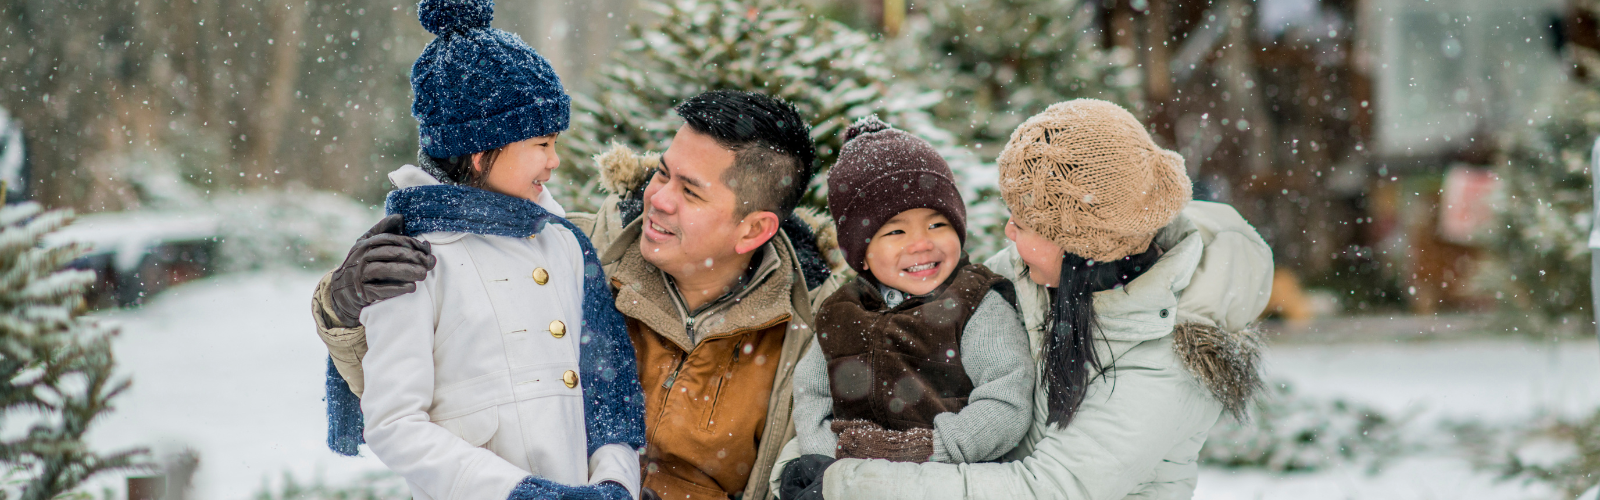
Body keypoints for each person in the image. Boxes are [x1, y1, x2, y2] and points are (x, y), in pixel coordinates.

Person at [314, 89, 843, 500]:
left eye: (690, 191)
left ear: (753, 230)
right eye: (662, 172)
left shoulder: (809, 333)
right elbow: (431, 393)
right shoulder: (567, 252)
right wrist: (343, 308)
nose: (657, 198)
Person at [771, 99, 1274, 499]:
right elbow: (896, 342)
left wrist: (844, 484)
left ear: (1081, 246)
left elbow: (1046, 490)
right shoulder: (1032, 274)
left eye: (1027, 223)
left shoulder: (1167, 362)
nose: (1008, 232)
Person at [328, 1, 648, 499]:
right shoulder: (411, 261)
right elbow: (394, 424)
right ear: (481, 151)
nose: (555, 160)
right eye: (542, 144)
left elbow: (606, 397)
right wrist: (520, 493)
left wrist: (615, 482)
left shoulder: (562, 244)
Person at [776, 118, 1033, 499]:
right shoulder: (841, 311)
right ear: (861, 253)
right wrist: (829, 460)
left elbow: (1006, 401)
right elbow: (813, 394)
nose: (921, 244)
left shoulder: (975, 302)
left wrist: (927, 449)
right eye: (896, 231)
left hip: (951, 484)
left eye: (937, 224)